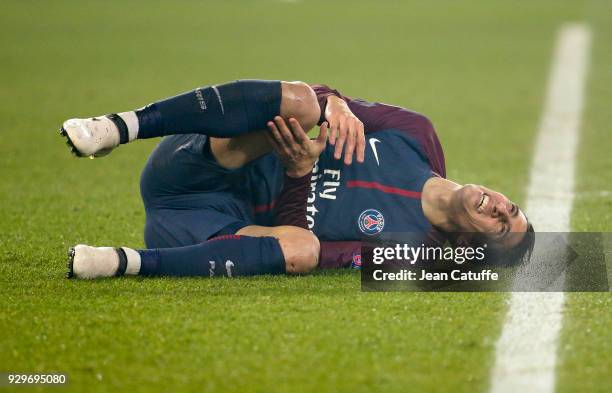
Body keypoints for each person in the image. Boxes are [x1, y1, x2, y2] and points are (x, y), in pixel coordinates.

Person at [59, 80, 533, 279]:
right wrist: (337, 105)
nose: (499, 208)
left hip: (201, 229)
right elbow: (321, 95)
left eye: (500, 226)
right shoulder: (417, 134)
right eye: (510, 208)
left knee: (302, 252)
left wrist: (300, 174)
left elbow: (304, 244)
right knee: (308, 102)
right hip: (201, 162)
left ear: (474, 243)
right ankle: (119, 127)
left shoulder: (401, 248)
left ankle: (122, 263)